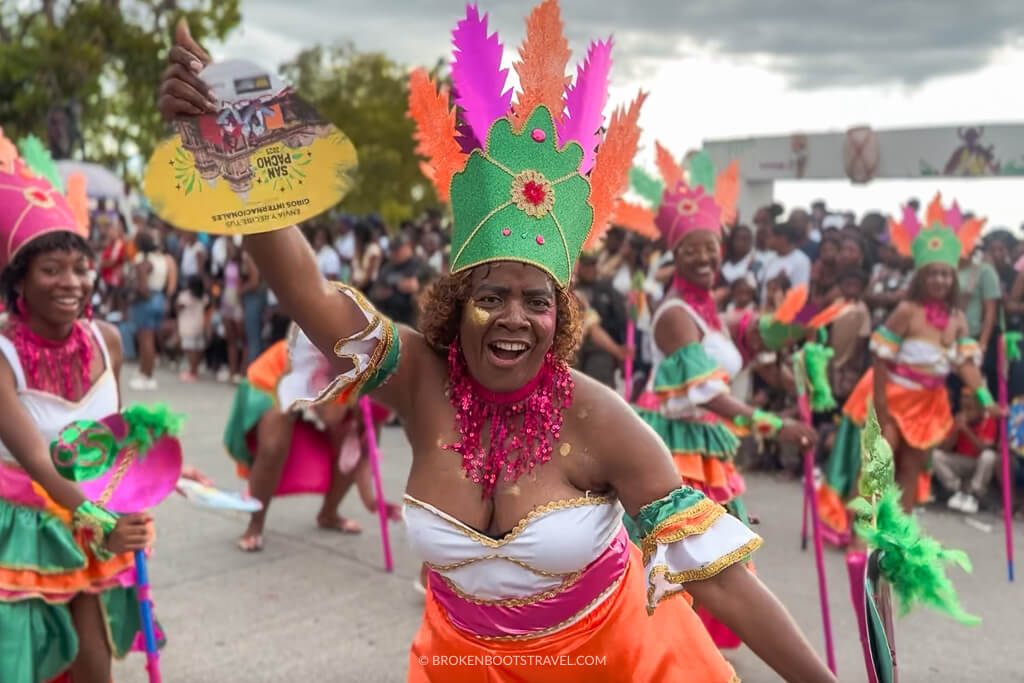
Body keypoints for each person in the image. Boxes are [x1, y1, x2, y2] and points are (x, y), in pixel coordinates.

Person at [160, 14, 836, 683]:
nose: (515, 318)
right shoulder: (418, 377)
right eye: (493, 295)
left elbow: (724, 584)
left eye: (537, 300)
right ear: (458, 305)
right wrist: (229, 144)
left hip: (615, 662)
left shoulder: (603, 422)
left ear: (560, 315)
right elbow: (305, 290)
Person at [633, 158, 817, 648]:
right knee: (682, 548)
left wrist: (796, 327)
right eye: (691, 250)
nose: (703, 258)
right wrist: (774, 426)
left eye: (710, 249)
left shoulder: (710, 313)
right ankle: (664, 644)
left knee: (709, 547)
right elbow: (708, 393)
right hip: (673, 442)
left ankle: (690, 644)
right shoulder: (675, 315)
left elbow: (751, 336)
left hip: (703, 441)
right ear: (675, 255)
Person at [0, 132, 157, 682]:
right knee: (26, 666)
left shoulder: (107, 340)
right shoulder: (1, 355)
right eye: (50, 270)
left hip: (93, 515)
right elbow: (40, 462)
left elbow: (121, 433)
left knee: (94, 662)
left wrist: (165, 470)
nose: (70, 282)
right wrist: (98, 521)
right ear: (19, 283)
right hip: (23, 527)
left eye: (78, 267)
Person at [817, 195, 998, 553]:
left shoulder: (958, 319)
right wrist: (881, 406)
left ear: (953, 279)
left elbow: (964, 364)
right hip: (892, 395)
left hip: (929, 403)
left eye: (945, 274)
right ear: (922, 277)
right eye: (933, 274)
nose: (940, 280)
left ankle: (900, 538)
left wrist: (986, 399)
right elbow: (880, 357)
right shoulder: (906, 311)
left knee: (912, 470)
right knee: (879, 465)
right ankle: (861, 535)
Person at [223, 325, 401, 552]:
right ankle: (254, 525)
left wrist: (372, 502)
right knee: (274, 446)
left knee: (352, 448)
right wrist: (350, 404)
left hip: (325, 390)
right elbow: (330, 416)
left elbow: (365, 456)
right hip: (276, 378)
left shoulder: (377, 399)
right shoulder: (341, 361)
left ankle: (329, 514)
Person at [934, 388, 998, 514]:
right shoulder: (958, 419)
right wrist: (957, 430)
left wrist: (967, 431)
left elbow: (985, 449)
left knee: (989, 456)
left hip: (978, 462)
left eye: (971, 409)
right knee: (936, 455)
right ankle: (956, 489)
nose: (967, 412)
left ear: (981, 409)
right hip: (961, 460)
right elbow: (945, 448)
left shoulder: (988, 420)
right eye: (966, 408)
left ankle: (974, 493)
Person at [573, 251, 627, 388]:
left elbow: (596, 327)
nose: (591, 269)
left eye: (593, 264)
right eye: (586, 265)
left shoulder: (606, 288)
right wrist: (618, 351)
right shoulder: (571, 291)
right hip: (572, 354)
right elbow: (592, 328)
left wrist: (618, 351)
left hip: (600, 352)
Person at [129, 230, 174, 390]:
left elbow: (141, 284)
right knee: (150, 339)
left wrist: (142, 295)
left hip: (146, 300)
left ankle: (147, 376)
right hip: (158, 298)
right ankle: (146, 372)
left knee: (145, 340)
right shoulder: (162, 259)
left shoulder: (142, 259)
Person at [370, 234, 427, 327]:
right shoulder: (387, 268)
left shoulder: (419, 266)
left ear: (408, 247)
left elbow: (416, 286)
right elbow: (374, 292)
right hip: (388, 319)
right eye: (392, 249)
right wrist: (380, 294)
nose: (394, 252)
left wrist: (414, 288)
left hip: (411, 320)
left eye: (397, 249)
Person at [762, 220, 811, 298]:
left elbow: (800, 292)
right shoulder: (769, 258)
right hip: (765, 308)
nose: (767, 240)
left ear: (782, 238)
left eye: (770, 237)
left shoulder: (801, 260)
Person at [176, 274, 208, 381]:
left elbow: (178, 307)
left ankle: (192, 372)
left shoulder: (185, 296)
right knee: (197, 349)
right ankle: (195, 370)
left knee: (190, 350)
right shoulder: (203, 296)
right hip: (199, 326)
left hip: (187, 327)